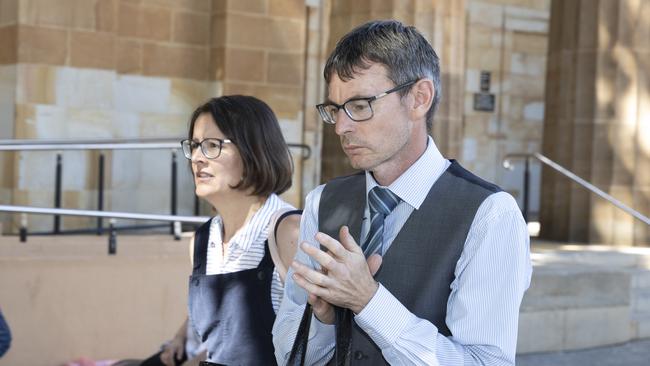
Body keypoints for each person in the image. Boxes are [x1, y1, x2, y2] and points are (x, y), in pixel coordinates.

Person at [272, 20, 532, 365]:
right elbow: (289, 353)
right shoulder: (323, 202)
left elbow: (486, 362)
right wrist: (322, 320)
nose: (341, 126)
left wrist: (369, 302)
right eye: (335, 109)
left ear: (419, 98)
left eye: (361, 105)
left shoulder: (490, 214)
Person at [182, 95, 301, 366]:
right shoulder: (200, 242)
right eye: (195, 146)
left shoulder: (288, 232)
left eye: (212, 145)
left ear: (253, 149)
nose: (198, 158)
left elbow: (318, 345)